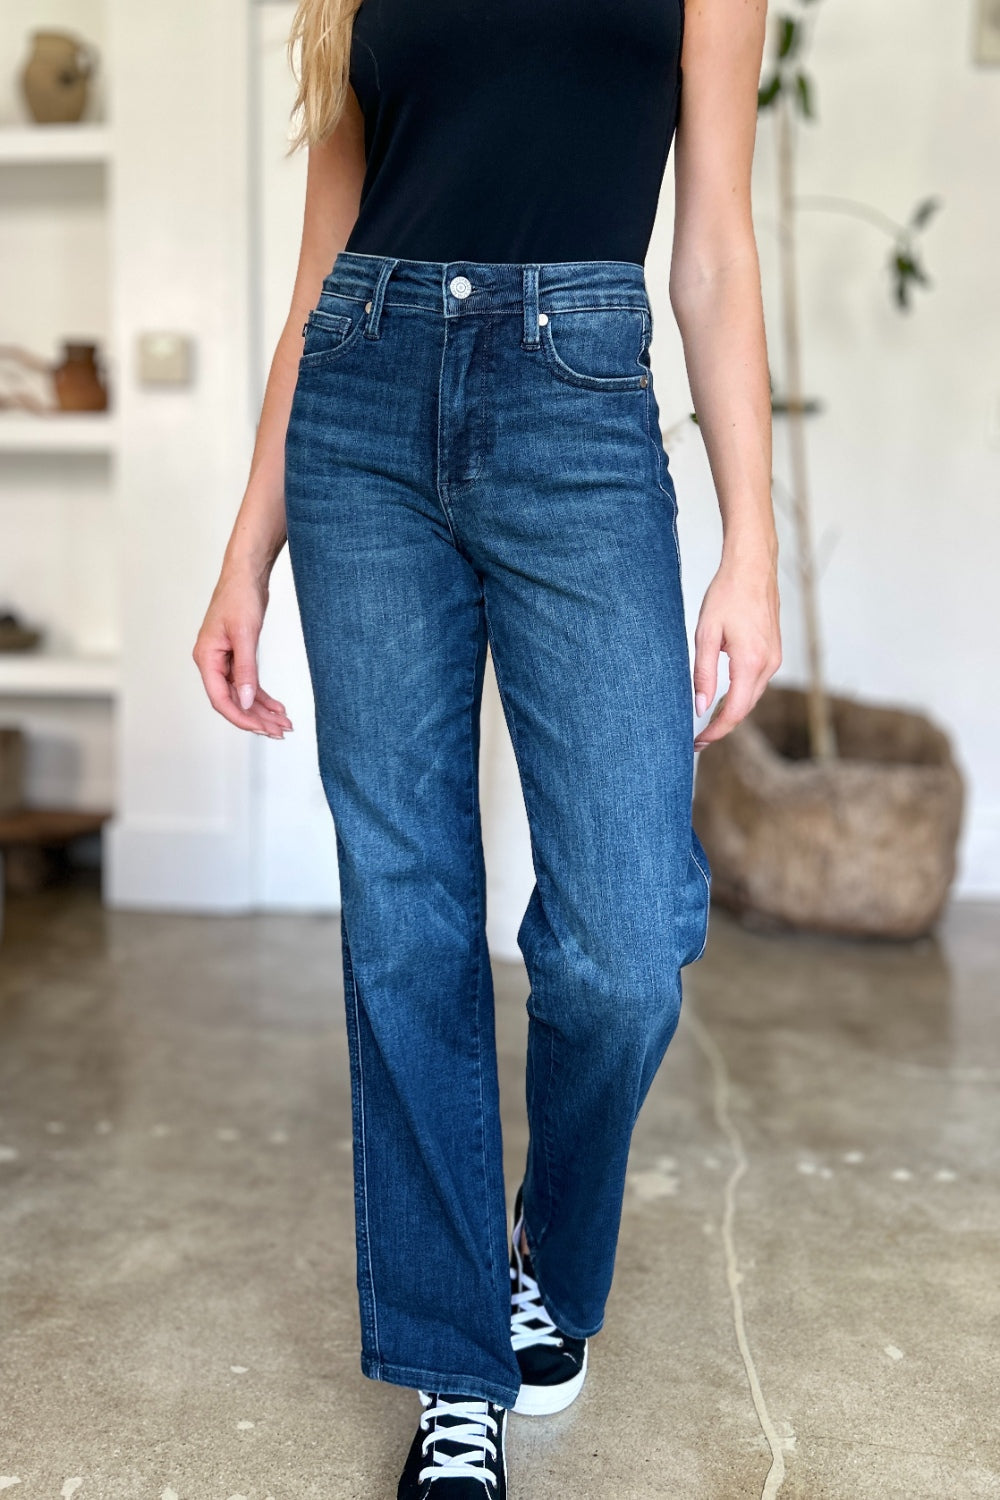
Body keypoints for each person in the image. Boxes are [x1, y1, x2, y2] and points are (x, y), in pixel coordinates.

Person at [194, 0, 781, 1493]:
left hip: (577, 400)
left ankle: (547, 1255)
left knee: (626, 940)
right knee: (407, 915)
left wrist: (753, 545)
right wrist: (243, 553)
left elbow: (711, 248)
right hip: (361, 412)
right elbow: (321, 275)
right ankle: (456, 1368)